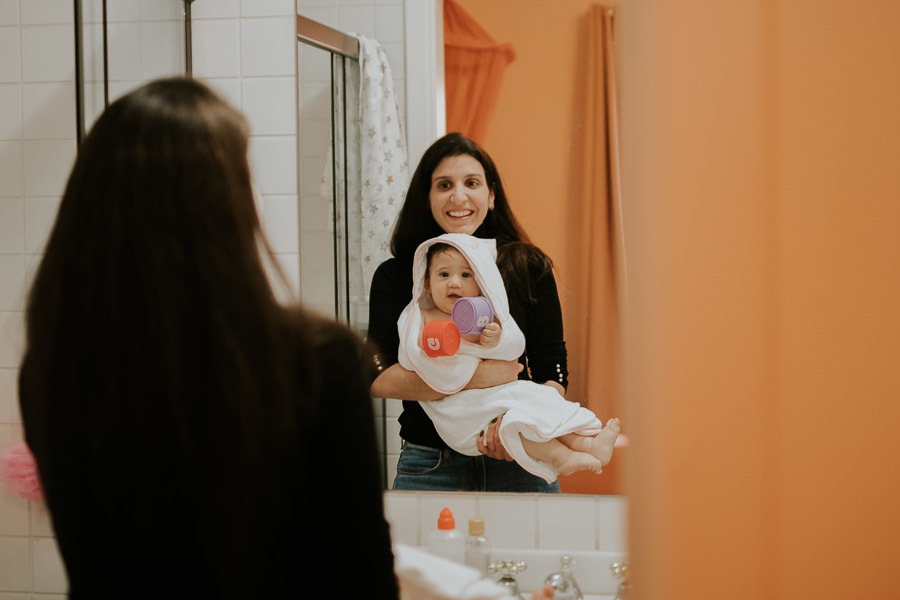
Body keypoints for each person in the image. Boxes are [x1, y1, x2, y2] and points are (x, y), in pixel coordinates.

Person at [18, 78, 398, 599]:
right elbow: (363, 578)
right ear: (223, 206)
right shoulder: (315, 361)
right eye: (245, 176)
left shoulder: (54, 369)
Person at [368, 132, 575, 492]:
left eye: (472, 183)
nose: (458, 197)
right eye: (444, 185)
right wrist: (477, 377)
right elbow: (379, 376)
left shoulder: (527, 267)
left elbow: (552, 368)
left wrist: (521, 426)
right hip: (430, 466)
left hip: (520, 456)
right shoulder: (399, 276)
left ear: (491, 196)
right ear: (426, 198)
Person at [403, 236, 620, 482]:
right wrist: (432, 347)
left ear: (480, 283)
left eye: (465, 275)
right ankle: (561, 457)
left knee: (540, 401)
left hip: (499, 393)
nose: (454, 282)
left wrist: (494, 338)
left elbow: (512, 346)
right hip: (463, 406)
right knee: (518, 421)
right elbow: (410, 355)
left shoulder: (481, 314)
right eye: (444, 274)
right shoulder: (423, 316)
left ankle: (587, 445)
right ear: (427, 283)